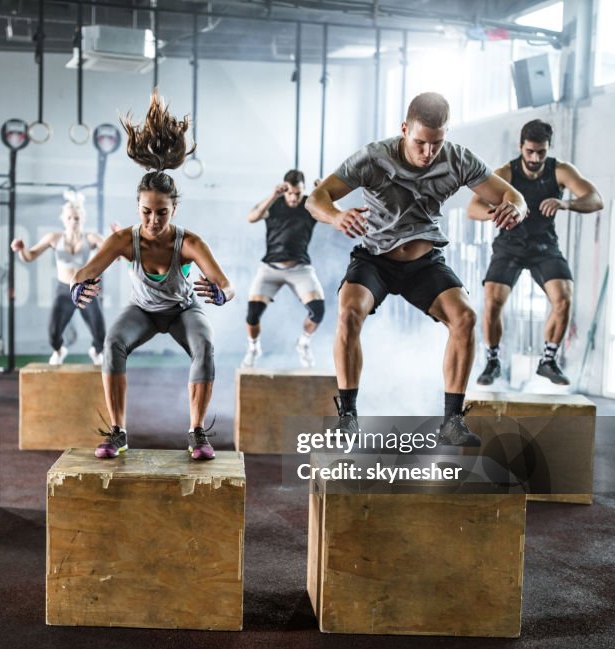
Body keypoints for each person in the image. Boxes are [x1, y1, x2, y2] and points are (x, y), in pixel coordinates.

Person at [307, 92, 526, 446]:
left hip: (424, 263)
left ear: (446, 135)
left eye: (436, 144)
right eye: (420, 142)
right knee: (348, 313)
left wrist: (516, 208)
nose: (427, 153)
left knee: (466, 317)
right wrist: (336, 215)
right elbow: (316, 198)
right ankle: (348, 416)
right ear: (404, 129)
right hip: (375, 259)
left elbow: (513, 196)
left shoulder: (457, 159)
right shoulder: (373, 157)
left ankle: (452, 421)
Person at [71, 91, 235, 461]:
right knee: (113, 342)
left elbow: (227, 284)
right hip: (142, 312)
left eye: (162, 213)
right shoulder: (123, 240)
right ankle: (118, 432)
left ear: (174, 208)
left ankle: (196, 433)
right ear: (137, 207)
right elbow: (85, 271)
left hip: (182, 311)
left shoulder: (188, 242)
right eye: (146, 212)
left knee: (205, 346)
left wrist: (221, 294)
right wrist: (77, 287)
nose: (153, 221)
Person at [468, 119, 604, 386]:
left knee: (564, 298)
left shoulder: (560, 171)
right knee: (492, 299)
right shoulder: (506, 173)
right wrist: (497, 211)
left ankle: (548, 360)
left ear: (548, 148)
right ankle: (493, 360)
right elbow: (472, 208)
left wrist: (565, 203)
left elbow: (595, 199)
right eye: (529, 151)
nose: (534, 157)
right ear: (521, 147)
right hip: (510, 245)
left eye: (541, 152)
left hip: (544, 245)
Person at [11, 192, 107, 365]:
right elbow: (29, 256)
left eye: (76, 218)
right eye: (69, 218)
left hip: (87, 289)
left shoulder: (92, 238)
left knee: (100, 333)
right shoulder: (54, 238)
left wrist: (117, 240)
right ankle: (59, 350)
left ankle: (96, 352)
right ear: (63, 219)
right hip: (64, 290)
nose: (73, 222)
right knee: (53, 333)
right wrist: (21, 250)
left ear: (82, 219)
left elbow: (113, 252)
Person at [243, 169, 325, 368]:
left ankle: (303, 344)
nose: (294, 197)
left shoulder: (310, 205)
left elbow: (337, 217)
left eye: (298, 193)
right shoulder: (275, 203)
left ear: (303, 190)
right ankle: (254, 348)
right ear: (284, 189)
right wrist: (273, 195)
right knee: (252, 314)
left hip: (300, 268)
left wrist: (324, 193)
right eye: (290, 193)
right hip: (270, 268)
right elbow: (251, 217)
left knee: (318, 311)